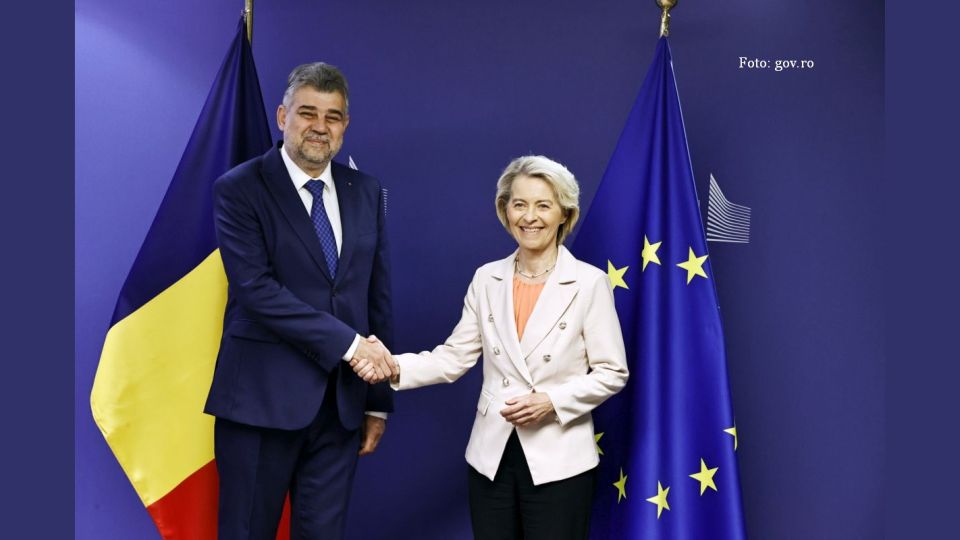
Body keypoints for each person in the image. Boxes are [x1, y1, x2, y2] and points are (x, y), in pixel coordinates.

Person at [356, 155, 629, 539]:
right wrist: (392, 366)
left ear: (564, 213)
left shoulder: (589, 283)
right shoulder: (487, 278)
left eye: (543, 205)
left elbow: (612, 371)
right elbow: (453, 358)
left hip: (560, 459)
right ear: (505, 210)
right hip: (491, 456)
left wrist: (552, 401)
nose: (529, 217)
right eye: (519, 204)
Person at [204, 62, 399, 540]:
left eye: (332, 117)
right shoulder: (241, 188)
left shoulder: (365, 191)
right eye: (307, 113)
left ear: (345, 126)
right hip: (259, 405)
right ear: (281, 116)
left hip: (340, 409)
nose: (319, 126)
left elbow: (376, 293)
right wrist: (353, 348)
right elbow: (257, 292)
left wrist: (377, 402)